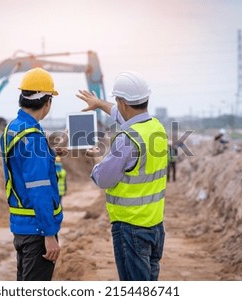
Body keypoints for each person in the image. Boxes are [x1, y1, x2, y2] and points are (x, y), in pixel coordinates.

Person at [76, 71, 167, 281]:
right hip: (155, 226)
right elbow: (121, 114)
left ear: (123, 102)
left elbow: (104, 179)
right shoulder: (157, 128)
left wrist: (96, 158)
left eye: (118, 101)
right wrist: (99, 103)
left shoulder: (127, 139)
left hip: (130, 229)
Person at [0, 67, 63, 281]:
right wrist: (49, 234)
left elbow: (21, 166)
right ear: (47, 103)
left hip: (21, 227)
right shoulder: (34, 136)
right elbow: (39, 189)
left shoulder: (13, 128)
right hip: (37, 230)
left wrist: (49, 154)